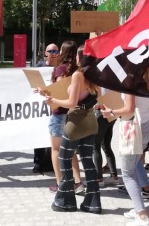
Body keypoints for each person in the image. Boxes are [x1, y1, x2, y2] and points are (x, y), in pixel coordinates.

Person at [35, 43, 101, 213]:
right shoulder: (95, 74)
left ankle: (66, 200)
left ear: (80, 57)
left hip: (76, 122)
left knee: (64, 159)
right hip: (90, 121)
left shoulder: (78, 75)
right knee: (87, 161)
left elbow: (71, 102)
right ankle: (93, 202)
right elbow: (97, 99)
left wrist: (53, 101)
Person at [100, 66, 149, 225]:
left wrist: (111, 113)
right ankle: (138, 207)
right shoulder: (147, 77)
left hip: (133, 128)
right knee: (133, 166)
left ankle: (142, 214)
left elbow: (129, 110)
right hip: (144, 126)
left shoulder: (131, 80)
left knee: (128, 173)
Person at [39, 41, 84, 193]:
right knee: (70, 151)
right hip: (74, 114)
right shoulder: (78, 70)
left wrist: (45, 92)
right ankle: (78, 182)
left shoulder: (61, 69)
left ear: (63, 52)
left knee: (56, 150)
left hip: (59, 114)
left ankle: (60, 183)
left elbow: (59, 90)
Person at [33, 43, 59, 174]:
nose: (54, 53)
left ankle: (51, 163)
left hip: (55, 104)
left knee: (54, 135)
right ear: (45, 53)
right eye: (51, 51)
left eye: (56, 51)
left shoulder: (61, 68)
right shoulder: (39, 67)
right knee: (39, 132)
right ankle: (38, 163)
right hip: (40, 106)